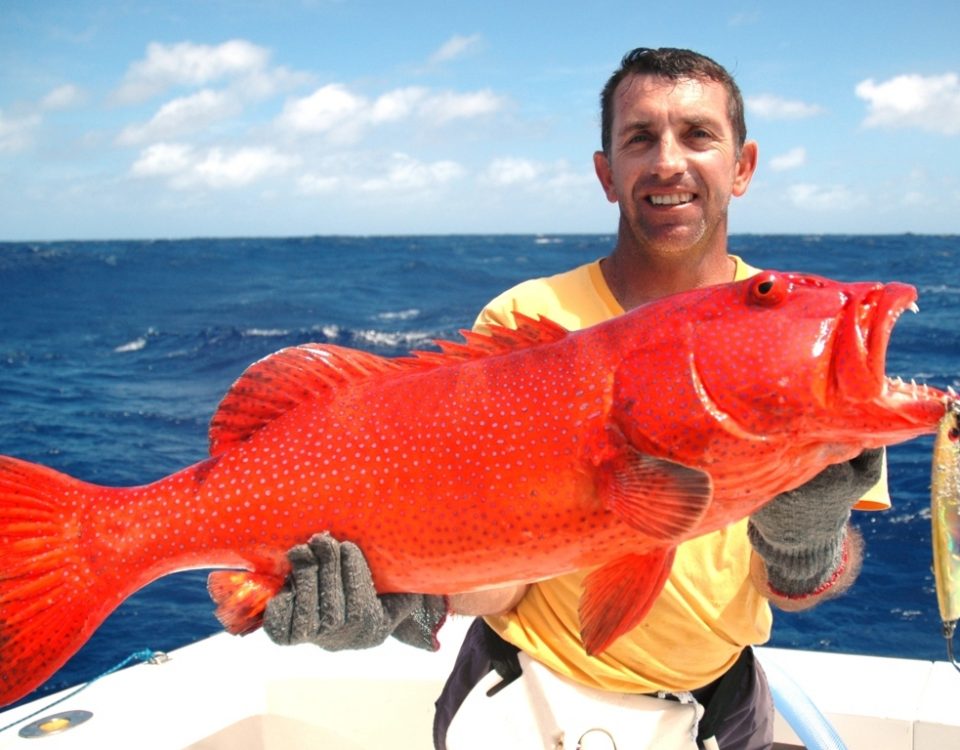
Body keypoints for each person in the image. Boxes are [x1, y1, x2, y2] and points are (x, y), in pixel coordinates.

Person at [262, 48, 887, 750]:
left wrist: (807, 546)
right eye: (640, 137)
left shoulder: (807, 340)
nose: (668, 162)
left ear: (742, 167)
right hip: (522, 698)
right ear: (606, 173)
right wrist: (400, 594)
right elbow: (502, 579)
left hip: (722, 705)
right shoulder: (525, 322)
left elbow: (800, 589)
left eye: (699, 135)